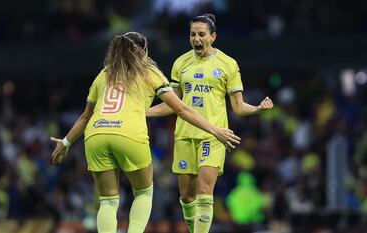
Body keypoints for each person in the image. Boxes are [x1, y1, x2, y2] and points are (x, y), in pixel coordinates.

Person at [50, 31, 241, 233]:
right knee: (143, 193)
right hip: (129, 133)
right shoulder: (149, 72)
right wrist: (214, 130)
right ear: (143, 51)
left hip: (95, 134)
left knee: (108, 201)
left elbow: (85, 116)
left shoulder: (105, 73)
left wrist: (65, 143)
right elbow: (182, 109)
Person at [146, 14, 274, 233]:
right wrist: (142, 112)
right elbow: (173, 104)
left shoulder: (228, 64)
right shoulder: (180, 63)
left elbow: (238, 106)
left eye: (201, 34)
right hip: (184, 135)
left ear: (213, 37)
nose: (196, 38)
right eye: (192, 34)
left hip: (214, 135)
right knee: (187, 196)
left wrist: (258, 108)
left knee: (205, 192)